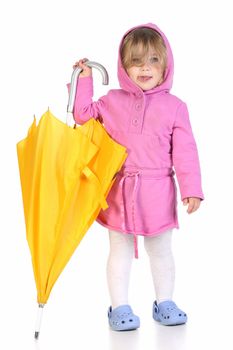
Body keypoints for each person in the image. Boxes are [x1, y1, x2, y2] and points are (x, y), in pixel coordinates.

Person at [71, 23, 204, 331]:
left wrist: (191, 189)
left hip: (158, 191)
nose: (145, 67)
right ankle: (119, 307)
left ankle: (165, 301)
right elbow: (82, 115)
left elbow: (185, 151)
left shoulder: (175, 107)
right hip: (119, 191)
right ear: (123, 65)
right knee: (118, 250)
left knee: (160, 250)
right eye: (136, 60)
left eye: (154, 60)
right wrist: (85, 81)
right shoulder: (112, 101)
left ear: (166, 65)